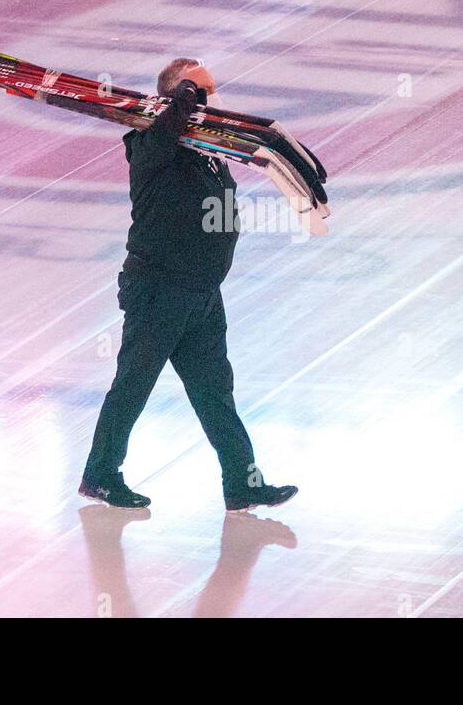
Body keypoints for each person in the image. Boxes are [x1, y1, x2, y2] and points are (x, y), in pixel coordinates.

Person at [78, 58, 298, 513]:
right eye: (200, 91)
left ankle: (242, 482)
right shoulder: (150, 146)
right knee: (133, 385)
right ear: (175, 99)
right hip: (158, 290)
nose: (211, 97)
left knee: (215, 391)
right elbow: (160, 132)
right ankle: (100, 476)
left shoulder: (210, 153)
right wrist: (177, 105)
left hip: (200, 293)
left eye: (211, 89)